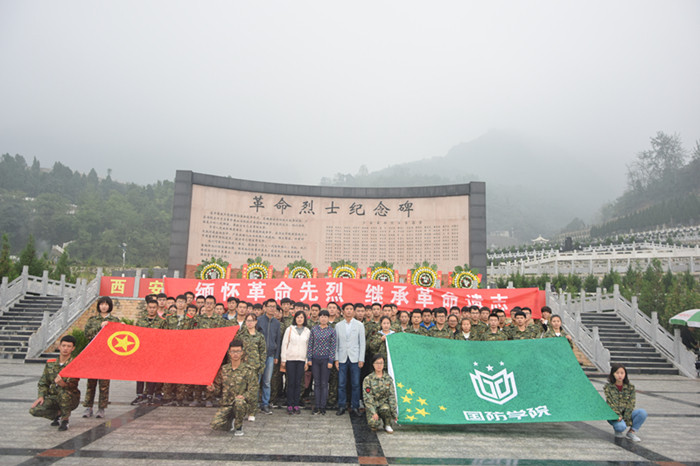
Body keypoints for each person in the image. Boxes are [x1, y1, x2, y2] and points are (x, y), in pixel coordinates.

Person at [30, 335, 81, 431]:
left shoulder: (74, 364)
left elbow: (73, 386)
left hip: (70, 398)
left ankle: (65, 420)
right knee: (34, 410)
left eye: (69, 346)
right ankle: (58, 413)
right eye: (63, 346)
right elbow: (43, 382)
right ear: (59, 347)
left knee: (63, 394)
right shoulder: (51, 364)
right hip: (54, 397)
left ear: (73, 348)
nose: (65, 348)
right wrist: (41, 396)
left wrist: (62, 383)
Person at [208, 340, 257, 436]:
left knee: (239, 403)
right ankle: (230, 422)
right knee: (215, 425)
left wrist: (244, 396)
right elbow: (218, 389)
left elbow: (253, 390)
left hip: (241, 404)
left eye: (238, 351)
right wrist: (213, 389)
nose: (235, 354)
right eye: (233, 351)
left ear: (242, 353)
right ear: (229, 353)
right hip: (227, 404)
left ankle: (238, 427)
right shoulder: (224, 369)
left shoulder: (248, 370)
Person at [82, 296, 120, 419]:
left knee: (104, 384)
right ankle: (88, 407)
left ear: (110, 306)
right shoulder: (93, 320)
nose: (104, 306)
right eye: (102, 304)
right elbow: (87, 334)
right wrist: (100, 326)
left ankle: (101, 408)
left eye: (106, 304)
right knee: (91, 383)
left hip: (106, 356)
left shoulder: (114, 320)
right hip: (93, 355)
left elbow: (119, 336)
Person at [335, 303, 365, 417]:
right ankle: (341, 406)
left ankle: (355, 406)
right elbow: (336, 344)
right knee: (341, 384)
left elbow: (362, 343)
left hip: (355, 358)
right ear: (343, 311)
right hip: (342, 358)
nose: (349, 311)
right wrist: (336, 359)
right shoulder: (338, 325)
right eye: (347, 309)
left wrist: (361, 359)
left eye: (351, 309)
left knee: (355, 384)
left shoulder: (359, 325)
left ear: (353, 311)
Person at [234, 313, 266, 420]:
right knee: (242, 389)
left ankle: (252, 412)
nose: (249, 323)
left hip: (255, 366)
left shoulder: (260, 336)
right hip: (243, 366)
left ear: (256, 322)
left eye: (252, 321)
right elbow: (236, 350)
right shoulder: (241, 335)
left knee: (253, 390)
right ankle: (242, 411)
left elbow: (263, 352)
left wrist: (262, 365)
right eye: (248, 321)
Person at [604, 364, 647, 442]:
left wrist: (626, 417)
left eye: (622, 373)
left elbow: (631, 403)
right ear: (613, 374)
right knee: (620, 427)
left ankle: (631, 432)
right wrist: (618, 416)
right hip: (614, 415)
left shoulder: (630, 387)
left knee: (642, 413)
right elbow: (610, 403)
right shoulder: (608, 387)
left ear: (625, 374)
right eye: (617, 373)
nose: (620, 375)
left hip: (627, 413)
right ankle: (618, 429)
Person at [280, 310, 311, 414]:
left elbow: (308, 347)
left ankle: (296, 404)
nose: (299, 319)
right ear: (295, 318)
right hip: (290, 359)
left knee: (298, 383)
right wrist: (283, 359)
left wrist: (306, 361)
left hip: (301, 360)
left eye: (301, 317)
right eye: (298, 317)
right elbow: (284, 344)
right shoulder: (289, 329)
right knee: (290, 383)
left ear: (304, 319)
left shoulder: (307, 331)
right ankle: (289, 404)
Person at [307, 310, 336, 415]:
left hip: (326, 360)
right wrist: (309, 358)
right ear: (319, 318)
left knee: (324, 383)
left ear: (328, 318)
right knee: (317, 383)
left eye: (325, 317)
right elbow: (310, 344)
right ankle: (317, 406)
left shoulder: (332, 331)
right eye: (322, 316)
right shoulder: (314, 329)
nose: (323, 319)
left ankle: (323, 406)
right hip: (315, 360)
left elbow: (333, 346)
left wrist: (331, 360)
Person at [362, 355, 398, 433]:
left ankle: (387, 424)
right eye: (377, 363)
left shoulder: (388, 378)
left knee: (386, 409)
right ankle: (376, 421)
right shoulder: (368, 379)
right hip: (373, 405)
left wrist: (394, 413)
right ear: (373, 364)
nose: (379, 365)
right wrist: (373, 412)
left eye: (381, 363)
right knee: (373, 423)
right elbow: (367, 398)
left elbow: (391, 396)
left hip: (383, 404)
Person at [258, 298, 281, 414]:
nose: (272, 309)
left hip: (271, 355)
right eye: (270, 306)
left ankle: (265, 404)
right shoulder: (259, 320)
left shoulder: (277, 323)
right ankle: (254, 403)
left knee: (267, 381)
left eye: (274, 307)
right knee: (256, 380)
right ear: (265, 308)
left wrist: (276, 356)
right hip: (258, 356)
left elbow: (278, 340)